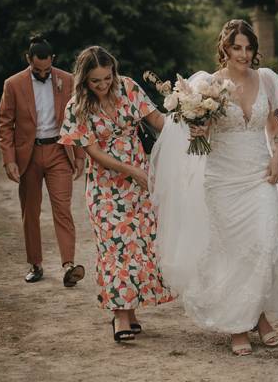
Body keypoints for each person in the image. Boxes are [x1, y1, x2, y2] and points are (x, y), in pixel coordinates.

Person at [151, 19, 278, 356]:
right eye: (237, 48)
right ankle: (241, 324)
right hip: (222, 179)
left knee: (264, 243)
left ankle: (255, 314)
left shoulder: (267, 80)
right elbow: (197, 131)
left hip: (259, 174)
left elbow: (274, 126)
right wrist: (200, 130)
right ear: (225, 49)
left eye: (248, 48)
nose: (244, 54)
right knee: (233, 252)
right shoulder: (207, 85)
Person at [58, 46, 172, 343]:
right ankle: (120, 315)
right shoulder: (77, 107)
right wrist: (131, 171)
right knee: (115, 249)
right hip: (105, 187)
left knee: (139, 247)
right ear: (84, 80)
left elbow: (157, 121)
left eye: (106, 78)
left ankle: (131, 312)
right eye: (95, 81)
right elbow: (93, 152)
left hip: (141, 183)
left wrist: (188, 121)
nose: (102, 85)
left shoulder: (129, 88)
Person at [0, 35, 86, 286]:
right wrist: (9, 160)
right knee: (31, 211)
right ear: (29, 60)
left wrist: (79, 155)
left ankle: (69, 265)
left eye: (47, 69)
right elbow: (4, 124)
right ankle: (35, 264)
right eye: (38, 69)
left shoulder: (67, 80)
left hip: (59, 150)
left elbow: (76, 119)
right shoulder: (13, 84)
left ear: (53, 61)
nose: (44, 74)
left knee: (62, 208)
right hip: (29, 154)